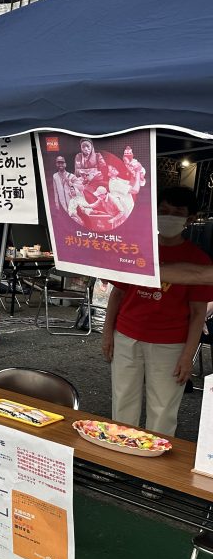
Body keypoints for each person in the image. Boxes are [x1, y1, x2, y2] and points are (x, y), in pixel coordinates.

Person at [101, 187, 213, 436]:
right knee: (123, 401)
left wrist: (188, 356)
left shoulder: (199, 260)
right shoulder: (135, 249)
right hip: (127, 336)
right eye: (163, 211)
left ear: (190, 218)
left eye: (177, 212)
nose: (169, 216)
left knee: (162, 409)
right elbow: (117, 294)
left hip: (170, 344)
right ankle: (121, 460)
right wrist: (108, 332)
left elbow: (198, 314)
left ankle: (153, 465)